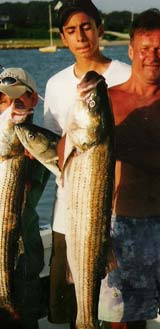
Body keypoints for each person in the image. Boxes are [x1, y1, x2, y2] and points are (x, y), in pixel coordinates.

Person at [44, 0, 130, 328]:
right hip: (68, 215)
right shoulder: (55, 84)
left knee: (121, 314)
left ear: (99, 30)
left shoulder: (125, 74)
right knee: (70, 310)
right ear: (63, 38)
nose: (80, 36)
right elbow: (53, 148)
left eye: (86, 27)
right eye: (71, 30)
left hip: (119, 215)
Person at [96, 7, 160, 329]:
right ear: (131, 50)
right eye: (145, 48)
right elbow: (67, 150)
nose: (153, 56)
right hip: (123, 229)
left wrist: (128, 148)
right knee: (124, 323)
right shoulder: (105, 101)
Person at [0, 67, 50, 329]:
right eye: (5, 100)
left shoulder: (39, 143)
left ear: (33, 100)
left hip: (24, 256)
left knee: (24, 320)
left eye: (19, 100)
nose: (12, 106)